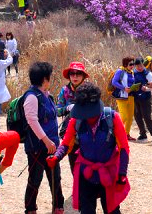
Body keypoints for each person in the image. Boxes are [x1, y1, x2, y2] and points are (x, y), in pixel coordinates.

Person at [47, 83, 130, 214]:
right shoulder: (76, 121)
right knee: (86, 211)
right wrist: (57, 156)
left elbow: (124, 148)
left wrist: (122, 174)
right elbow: (66, 144)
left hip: (108, 172)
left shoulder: (112, 118)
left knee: (112, 210)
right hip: (86, 173)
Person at [23, 61, 65, 214]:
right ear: (44, 79)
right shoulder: (31, 97)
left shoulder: (48, 96)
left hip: (52, 146)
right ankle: (30, 209)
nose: (50, 79)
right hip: (37, 147)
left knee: (55, 177)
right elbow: (32, 121)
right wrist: (46, 140)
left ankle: (58, 206)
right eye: (49, 77)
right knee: (35, 179)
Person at [56, 62, 89, 172]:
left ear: (83, 76)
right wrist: (67, 108)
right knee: (74, 168)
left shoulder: (89, 90)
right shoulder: (64, 91)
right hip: (70, 135)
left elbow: (98, 111)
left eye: (78, 74)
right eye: (72, 74)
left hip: (88, 134)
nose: (75, 76)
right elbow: (57, 111)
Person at [132, 57, 152, 142]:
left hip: (146, 98)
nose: (139, 67)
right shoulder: (133, 73)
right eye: (137, 66)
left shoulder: (148, 74)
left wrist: (146, 89)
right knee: (137, 116)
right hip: (136, 97)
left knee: (147, 117)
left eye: (141, 65)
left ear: (143, 64)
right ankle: (143, 134)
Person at [111, 57, 136, 140]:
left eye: (133, 64)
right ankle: (114, 133)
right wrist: (124, 88)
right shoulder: (120, 71)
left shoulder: (132, 72)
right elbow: (114, 82)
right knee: (124, 116)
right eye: (130, 64)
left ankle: (126, 134)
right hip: (121, 97)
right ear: (125, 64)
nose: (132, 66)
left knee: (130, 117)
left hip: (131, 96)